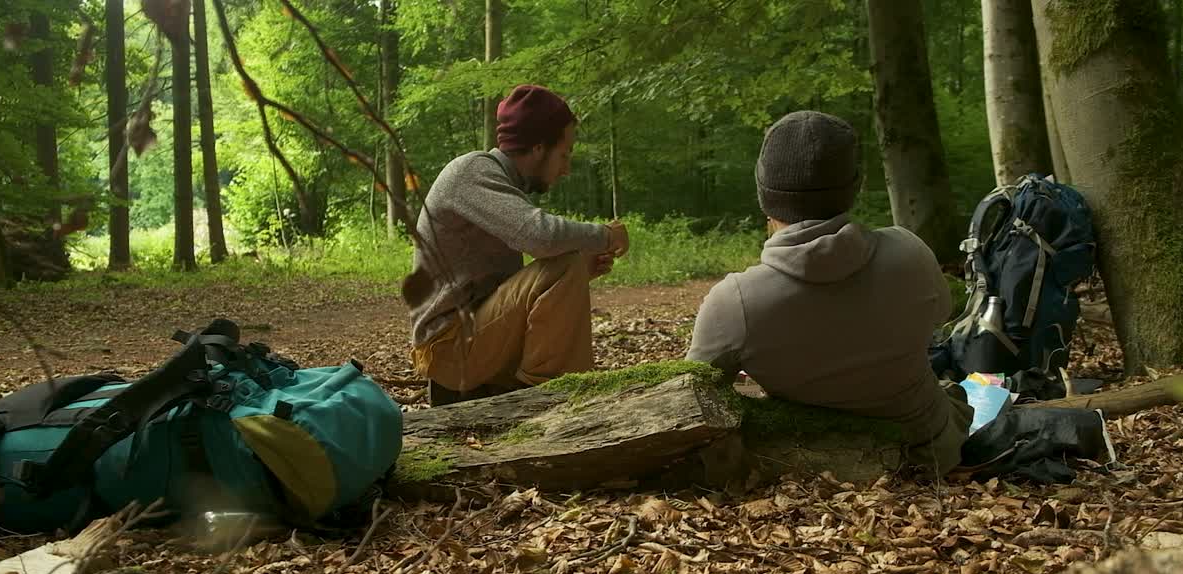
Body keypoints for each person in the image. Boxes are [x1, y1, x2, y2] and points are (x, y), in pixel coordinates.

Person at [685, 110, 973, 473]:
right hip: (930, 452)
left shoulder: (734, 300)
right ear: (852, 187)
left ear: (764, 197)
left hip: (819, 469)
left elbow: (694, 397)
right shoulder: (910, 251)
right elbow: (939, 314)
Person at [401, 84, 629, 405]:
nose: (566, 169)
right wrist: (606, 235)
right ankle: (543, 404)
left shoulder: (498, 184)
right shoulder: (472, 172)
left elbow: (501, 287)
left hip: (470, 342)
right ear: (537, 148)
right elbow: (542, 237)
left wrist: (575, 279)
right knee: (564, 261)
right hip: (449, 349)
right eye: (564, 155)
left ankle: (545, 398)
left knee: (569, 263)